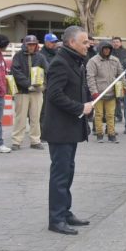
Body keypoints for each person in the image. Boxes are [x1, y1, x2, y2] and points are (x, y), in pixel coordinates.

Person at [42, 25, 94, 235]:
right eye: (84, 42)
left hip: (71, 128)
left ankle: (65, 211)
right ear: (72, 43)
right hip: (60, 129)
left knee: (68, 172)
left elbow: (76, 91)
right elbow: (54, 95)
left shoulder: (76, 62)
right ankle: (56, 219)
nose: (88, 45)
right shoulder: (60, 63)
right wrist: (80, 108)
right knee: (60, 175)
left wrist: (87, 106)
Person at [10, 35, 48, 150]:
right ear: (25, 45)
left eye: (33, 44)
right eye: (29, 44)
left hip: (37, 92)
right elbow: (16, 72)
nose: (31, 46)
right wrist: (28, 84)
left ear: (36, 45)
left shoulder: (41, 57)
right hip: (22, 91)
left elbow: (47, 72)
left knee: (35, 117)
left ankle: (35, 141)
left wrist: (43, 85)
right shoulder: (18, 56)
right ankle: (16, 141)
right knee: (20, 118)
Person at [86, 40, 124, 143]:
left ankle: (111, 134)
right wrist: (94, 92)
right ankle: (99, 134)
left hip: (111, 93)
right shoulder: (93, 61)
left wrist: (122, 88)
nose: (107, 51)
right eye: (105, 49)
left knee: (111, 115)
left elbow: (121, 75)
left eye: (109, 49)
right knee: (98, 114)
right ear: (100, 49)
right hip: (99, 94)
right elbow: (90, 78)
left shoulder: (115, 60)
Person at [110, 36, 126, 123]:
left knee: (125, 98)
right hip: (112, 78)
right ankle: (118, 116)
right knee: (116, 98)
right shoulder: (109, 51)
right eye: (114, 42)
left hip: (123, 78)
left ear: (121, 43)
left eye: (117, 42)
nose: (115, 43)